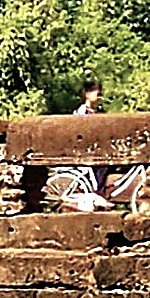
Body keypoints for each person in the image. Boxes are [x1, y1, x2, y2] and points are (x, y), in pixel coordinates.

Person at [53, 80, 117, 211]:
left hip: (92, 149)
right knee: (102, 165)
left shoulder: (94, 112)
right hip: (83, 151)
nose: (98, 94)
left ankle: (100, 193)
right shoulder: (82, 112)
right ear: (87, 94)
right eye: (95, 91)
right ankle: (97, 194)